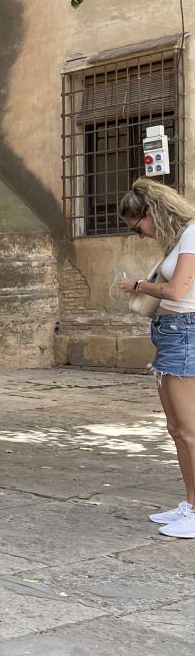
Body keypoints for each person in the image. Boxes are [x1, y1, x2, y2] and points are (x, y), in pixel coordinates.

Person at [118, 178, 195, 539]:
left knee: (190, 430)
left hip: (184, 333)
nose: (141, 235)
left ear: (152, 212)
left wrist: (137, 286)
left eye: (138, 227)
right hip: (172, 334)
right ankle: (190, 503)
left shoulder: (193, 233)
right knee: (177, 429)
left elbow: (177, 290)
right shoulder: (181, 239)